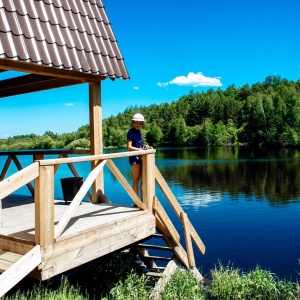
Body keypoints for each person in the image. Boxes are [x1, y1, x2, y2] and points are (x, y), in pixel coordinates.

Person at [127, 113, 152, 197]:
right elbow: (129, 147)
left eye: (140, 123)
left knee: (143, 180)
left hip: (140, 157)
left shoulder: (139, 132)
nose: (138, 124)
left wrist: (145, 147)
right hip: (134, 157)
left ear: (142, 124)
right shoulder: (131, 132)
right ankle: (136, 202)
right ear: (133, 122)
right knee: (135, 179)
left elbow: (139, 145)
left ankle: (143, 201)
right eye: (136, 122)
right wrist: (140, 150)